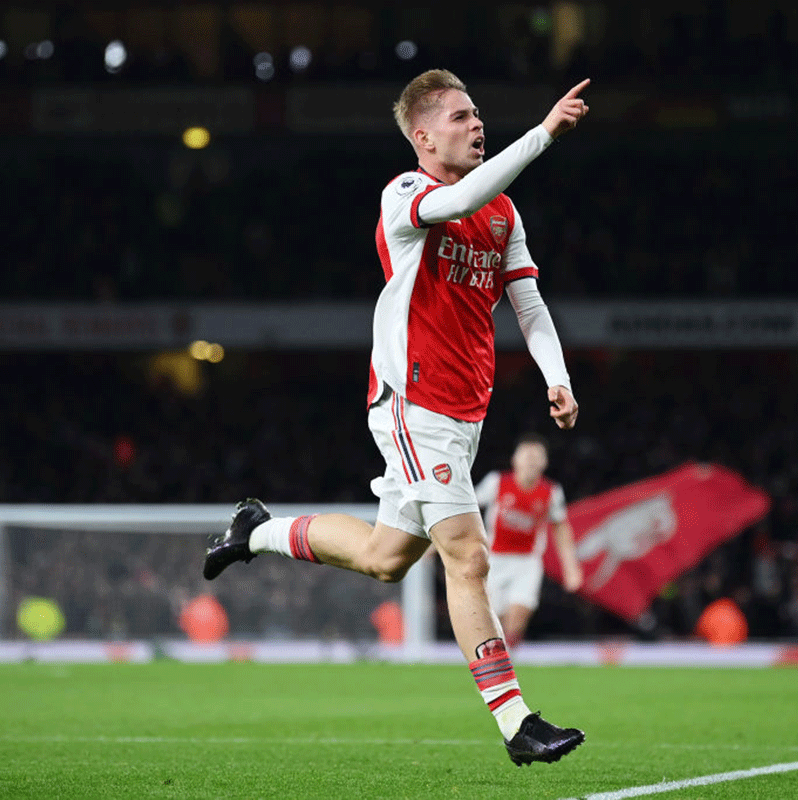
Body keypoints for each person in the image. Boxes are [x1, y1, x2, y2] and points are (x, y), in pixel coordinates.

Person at [204, 69, 590, 767]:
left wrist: (557, 380)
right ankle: (516, 725)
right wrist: (543, 134)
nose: (478, 126)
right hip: (414, 403)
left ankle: (256, 531)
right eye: (462, 117)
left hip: (462, 414)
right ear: (423, 135)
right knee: (468, 557)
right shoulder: (406, 194)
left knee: (387, 559)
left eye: (480, 116)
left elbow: (529, 307)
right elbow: (466, 194)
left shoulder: (503, 214)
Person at [474, 433, 584, 648]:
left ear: (545, 462)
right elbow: (468, 510)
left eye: (537, 456)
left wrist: (571, 568)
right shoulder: (497, 483)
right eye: (526, 455)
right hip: (494, 560)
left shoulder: (551, 492)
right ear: (515, 459)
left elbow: (561, 529)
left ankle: (506, 663)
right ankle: (494, 661)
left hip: (527, 563)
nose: (531, 460)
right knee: (490, 620)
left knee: (517, 618)